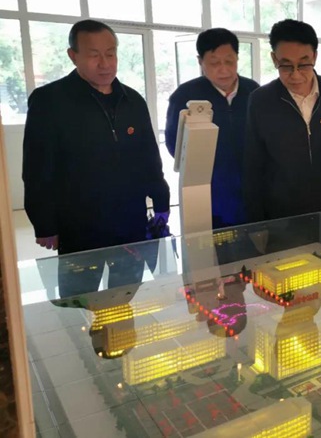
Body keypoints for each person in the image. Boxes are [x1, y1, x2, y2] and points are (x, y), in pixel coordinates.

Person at [23, 19, 170, 282]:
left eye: (110, 54)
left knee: (126, 294)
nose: (105, 64)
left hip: (130, 221)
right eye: (94, 55)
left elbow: (149, 157)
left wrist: (161, 200)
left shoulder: (132, 100)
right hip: (78, 225)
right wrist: (44, 223)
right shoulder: (50, 101)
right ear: (73, 56)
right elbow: (37, 168)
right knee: (79, 298)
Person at [243, 19, 321, 222]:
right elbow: (253, 165)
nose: (295, 75)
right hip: (281, 219)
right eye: (286, 65)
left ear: (315, 57)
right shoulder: (261, 101)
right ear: (274, 59)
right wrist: (257, 224)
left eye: (303, 64)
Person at [165, 28, 259, 229]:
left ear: (237, 58)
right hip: (208, 193)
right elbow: (175, 144)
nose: (224, 69)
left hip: (252, 191)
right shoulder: (185, 96)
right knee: (211, 244)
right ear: (200, 62)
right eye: (214, 63)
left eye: (229, 61)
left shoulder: (254, 92)